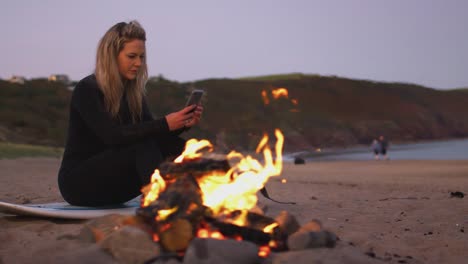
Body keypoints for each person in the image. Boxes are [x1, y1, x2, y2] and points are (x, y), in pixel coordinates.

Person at [57, 21, 203, 206]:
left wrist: (182, 124)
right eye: (132, 56)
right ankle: (163, 202)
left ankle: (199, 197)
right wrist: (165, 123)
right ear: (111, 56)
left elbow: (154, 136)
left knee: (178, 145)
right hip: (79, 185)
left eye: (141, 57)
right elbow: (112, 136)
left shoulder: (133, 94)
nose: (138, 63)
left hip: (114, 186)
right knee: (142, 145)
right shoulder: (87, 89)